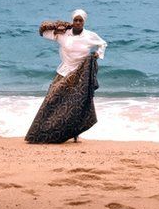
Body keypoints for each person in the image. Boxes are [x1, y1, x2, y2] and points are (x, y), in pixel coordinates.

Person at [25, 9, 106, 144]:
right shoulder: (63, 34)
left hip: (80, 73)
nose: (78, 22)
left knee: (77, 104)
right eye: (75, 20)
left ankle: (75, 134)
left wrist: (98, 54)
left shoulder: (89, 36)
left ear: (84, 22)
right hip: (64, 71)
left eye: (80, 20)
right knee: (51, 98)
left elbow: (103, 43)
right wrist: (58, 26)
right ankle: (42, 132)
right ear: (72, 21)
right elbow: (43, 32)